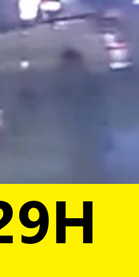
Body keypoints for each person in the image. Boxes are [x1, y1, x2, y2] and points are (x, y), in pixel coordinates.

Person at [54, 50, 111, 182]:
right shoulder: (70, 81)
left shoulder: (87, 79)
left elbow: (99, 102)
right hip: (80, 125)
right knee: (83, 153)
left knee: (88, 153)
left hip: (86, 124)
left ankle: (89, 176)